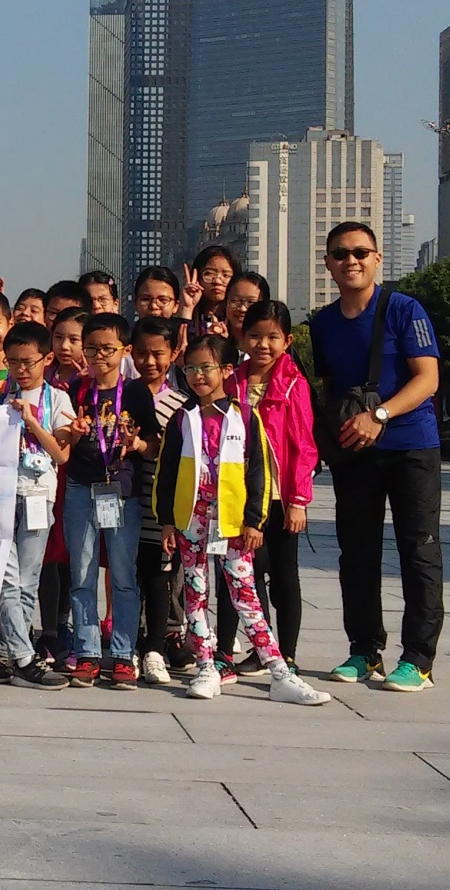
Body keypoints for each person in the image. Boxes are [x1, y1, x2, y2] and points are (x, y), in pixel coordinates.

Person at [155, 334, 331, 705]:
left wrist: (255, 520)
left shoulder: (245, 417)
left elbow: (259, 473)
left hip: (232, 521)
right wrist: (167, 520)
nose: (197, 375)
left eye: (206, 367)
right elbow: (166, 472)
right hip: (191, 518)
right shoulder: (182, 419)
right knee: (195, 593)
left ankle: (279, 671)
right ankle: (206, 666)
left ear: (226, 370)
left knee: (245, 593)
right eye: (190, 368)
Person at [309, 222, 443, 693]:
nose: (352, 261)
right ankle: (364, 650)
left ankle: (418, 659)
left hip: (411, 445)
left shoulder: (405, 309)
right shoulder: (322, 324)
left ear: (378, 258)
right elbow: (329, 389)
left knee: (419, 549)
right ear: (328, 263)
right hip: (355, 452)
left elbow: (427, 379)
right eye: (341, 254)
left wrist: (380, 414)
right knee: (357, 553)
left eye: (361, 252)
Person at [0, 320, 80, 689]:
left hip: (39, 495)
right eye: (13, 362)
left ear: (46, 359)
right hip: (1, 496)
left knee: (27, 581)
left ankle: (12, 653)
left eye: (27, 362)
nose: (20, 369)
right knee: (7, 578)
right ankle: (25, 658)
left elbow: (61, 453)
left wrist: (32, 422)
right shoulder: (0, 396)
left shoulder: (58, 399)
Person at [225, 301, 314, 675]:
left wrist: (298, 500)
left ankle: (287, 653)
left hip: (279, 496)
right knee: (249, 572)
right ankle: (263, 647)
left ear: (287, 341)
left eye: (272, 337)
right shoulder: (232, 382)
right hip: (242, 496)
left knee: (283, 576)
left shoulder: (293, 383)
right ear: (242, 338)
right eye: (255, 336)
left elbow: (304, 445)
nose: (263, 344)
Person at [59, 312, 145, 687]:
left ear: (124, 350)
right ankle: (88, 652)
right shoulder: (77, 390)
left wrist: (137, 444)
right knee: (82, 574)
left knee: (124, 575)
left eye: (108, 349)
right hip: (81, 487)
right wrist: (75, 434)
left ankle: (123, 654)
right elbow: (63, 440)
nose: (99, 356)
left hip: (122, 492)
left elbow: (152, 441)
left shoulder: (136, 392)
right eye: (92, 348)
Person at [128, 316, 187, 683]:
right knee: (128, 575)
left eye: (158, 354)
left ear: (173, 354)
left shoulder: (182, 405)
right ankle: (129, 643)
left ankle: (156, 647)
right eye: (140, 353)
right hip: (126, 502)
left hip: (161, 507)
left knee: (158, 575)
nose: (149, 361)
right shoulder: (122, 395)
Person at [186, 246, 240, 340]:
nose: (217, 281)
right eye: (209, 274)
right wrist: (187, 308)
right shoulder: (184, 314)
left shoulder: (240, 319)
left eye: (226, 275)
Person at [47, 308, 90, 392]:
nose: (64, 346)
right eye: (58, 337)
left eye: (73, 339)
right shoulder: (43, 370)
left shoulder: (93, 376)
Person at [223, 272, 270, 347]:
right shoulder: (213, 337)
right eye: (235, 301)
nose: (242, 309)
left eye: (251, 302)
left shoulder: (271, 346)